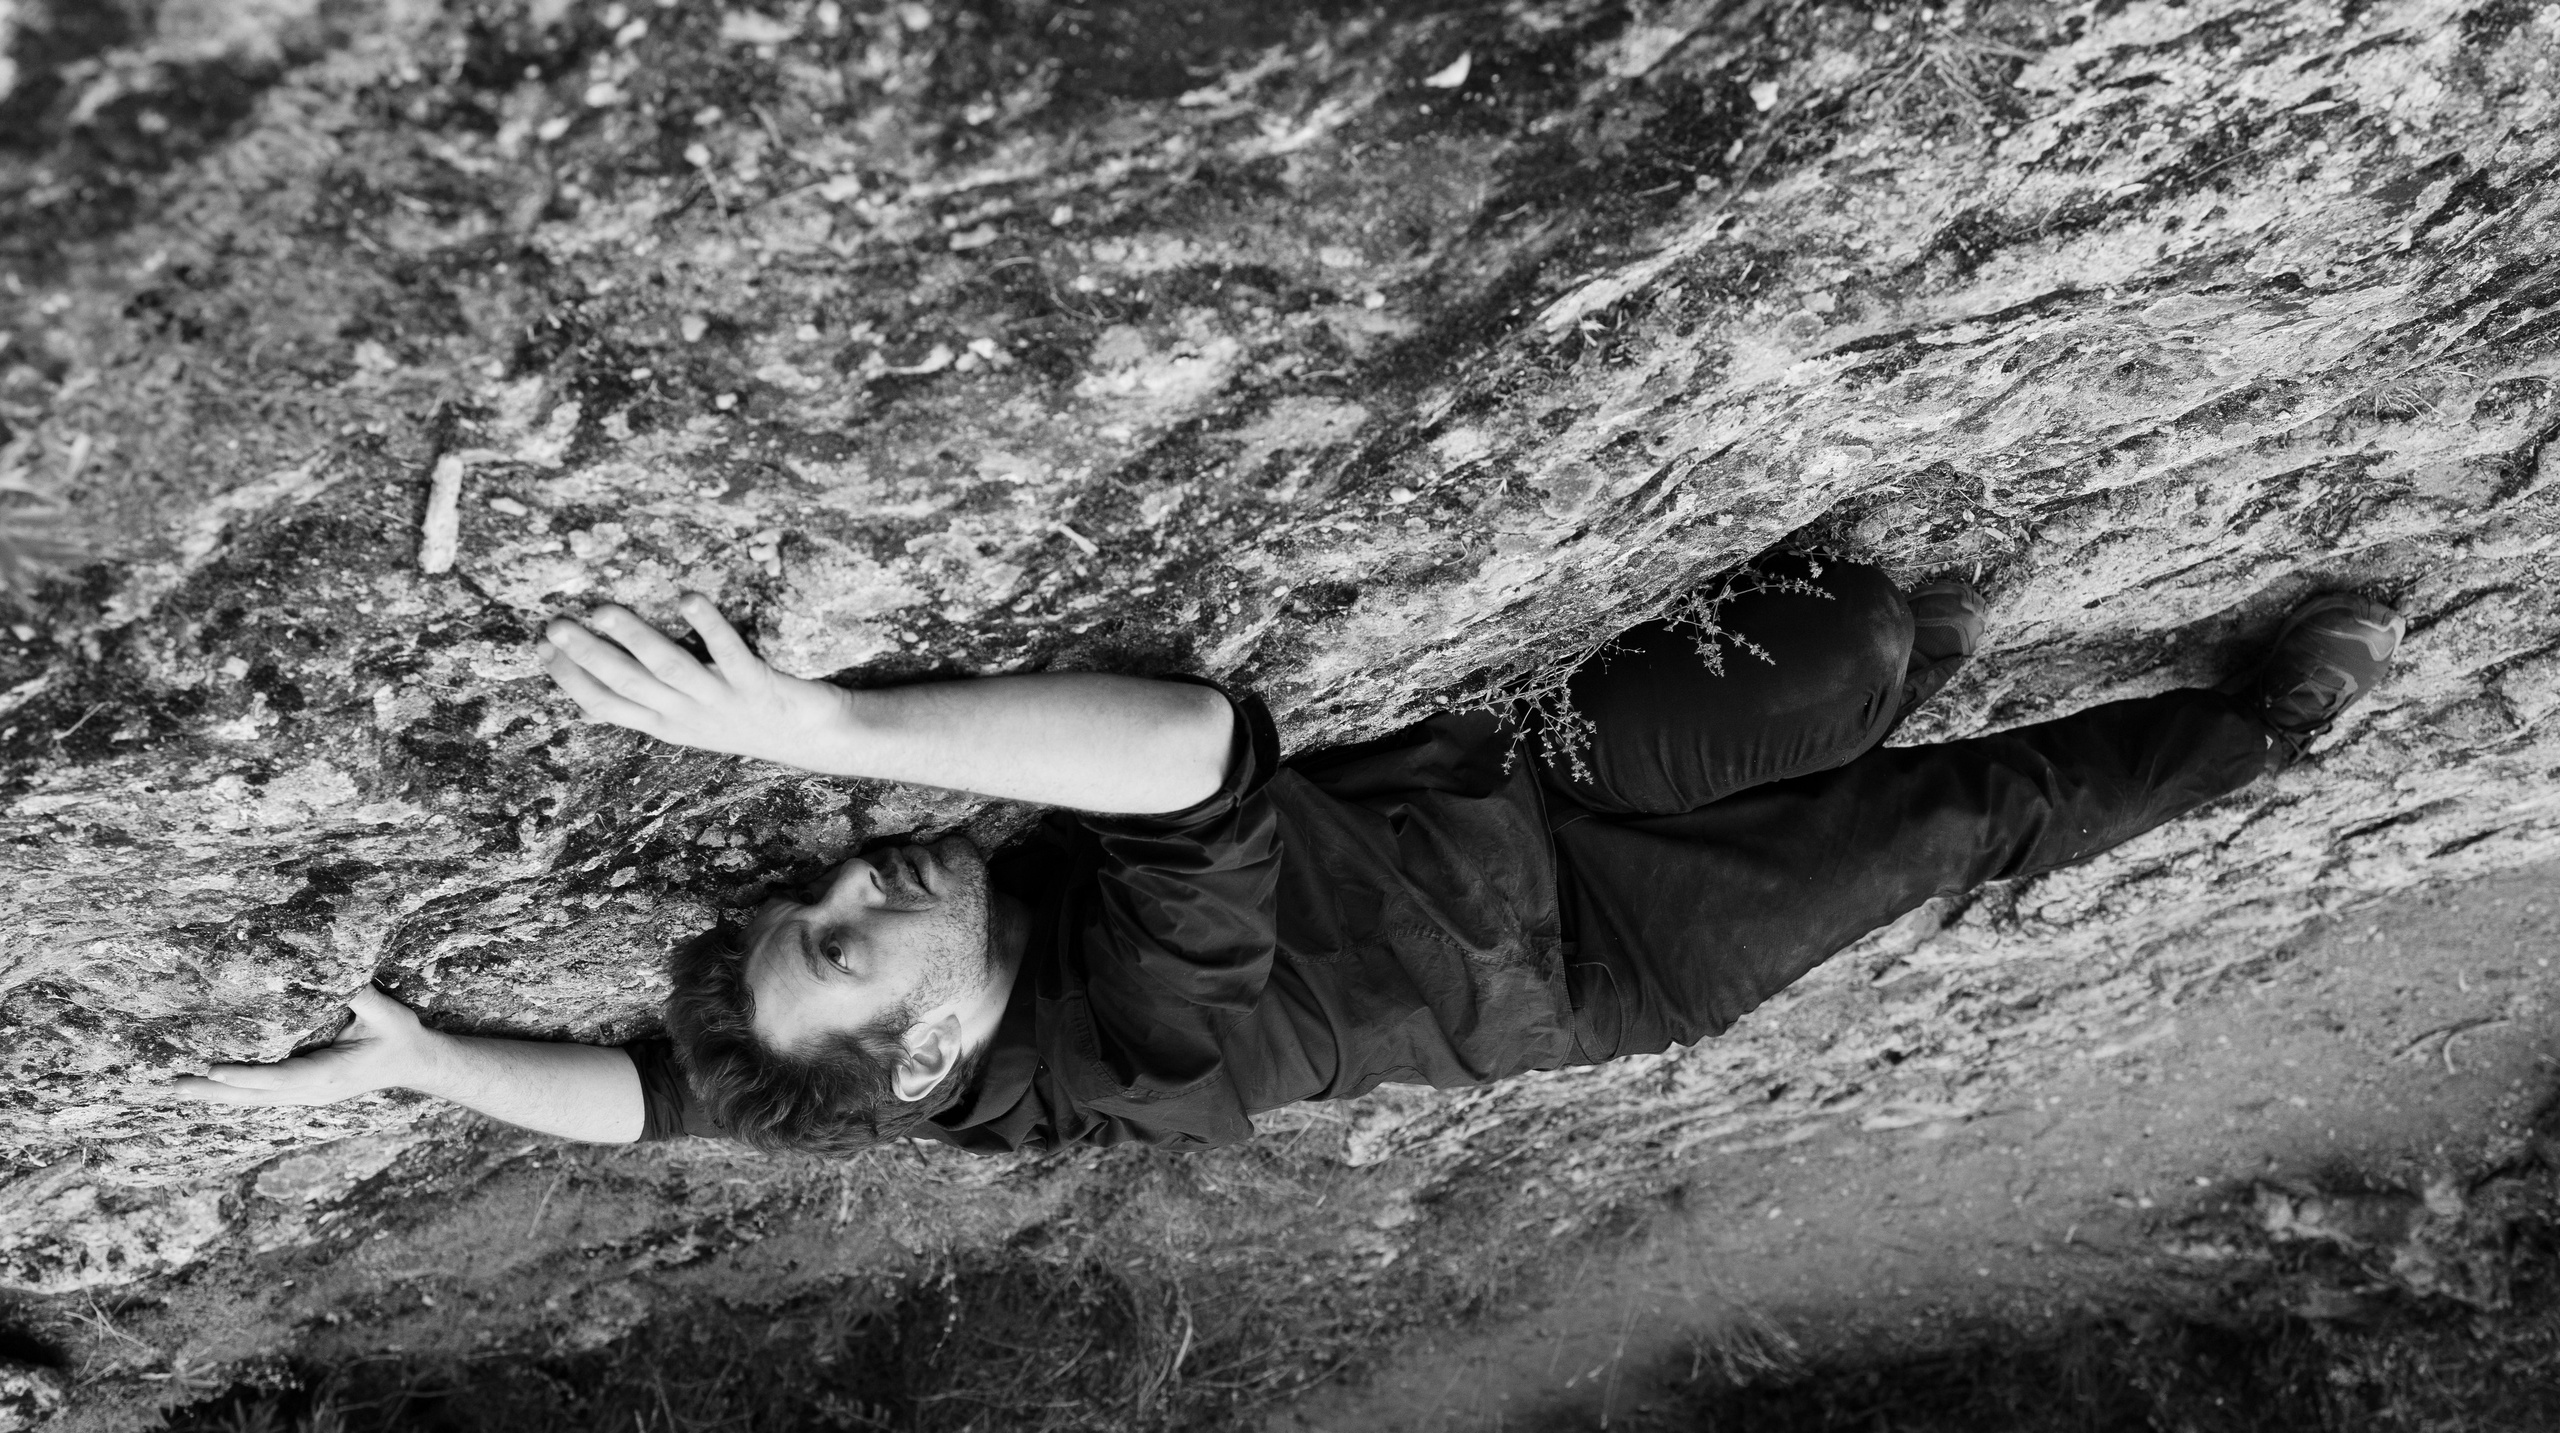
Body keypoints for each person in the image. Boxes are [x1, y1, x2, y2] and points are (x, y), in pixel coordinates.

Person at [169, 557, 2406, 1155]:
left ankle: (1867, 669)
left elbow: (663, 1100)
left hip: (1501, 790)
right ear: (933, 1040)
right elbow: (1190, 751)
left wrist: (402, 1060)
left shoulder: (869, 1093)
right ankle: (2262, 725)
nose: (842, 883)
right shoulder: (1122, 1048)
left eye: (805, 897)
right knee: (1959, 814)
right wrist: (816, 717)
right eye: (847, 940)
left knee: (1856, 631)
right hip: (1613, 954)